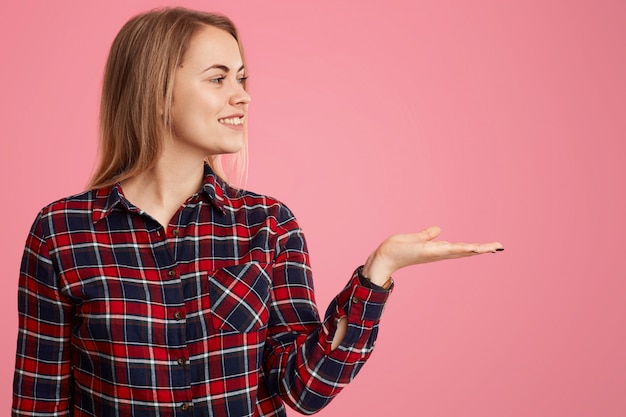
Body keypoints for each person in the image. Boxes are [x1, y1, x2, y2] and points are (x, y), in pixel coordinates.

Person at [12, 7, 503, 417]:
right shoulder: (62, 231)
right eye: (219, 78)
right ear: (157, 89)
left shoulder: (268, 224)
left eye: (243, 78)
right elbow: (40, 401)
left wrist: (376, 276)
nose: (242, 95)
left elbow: (305, 390)